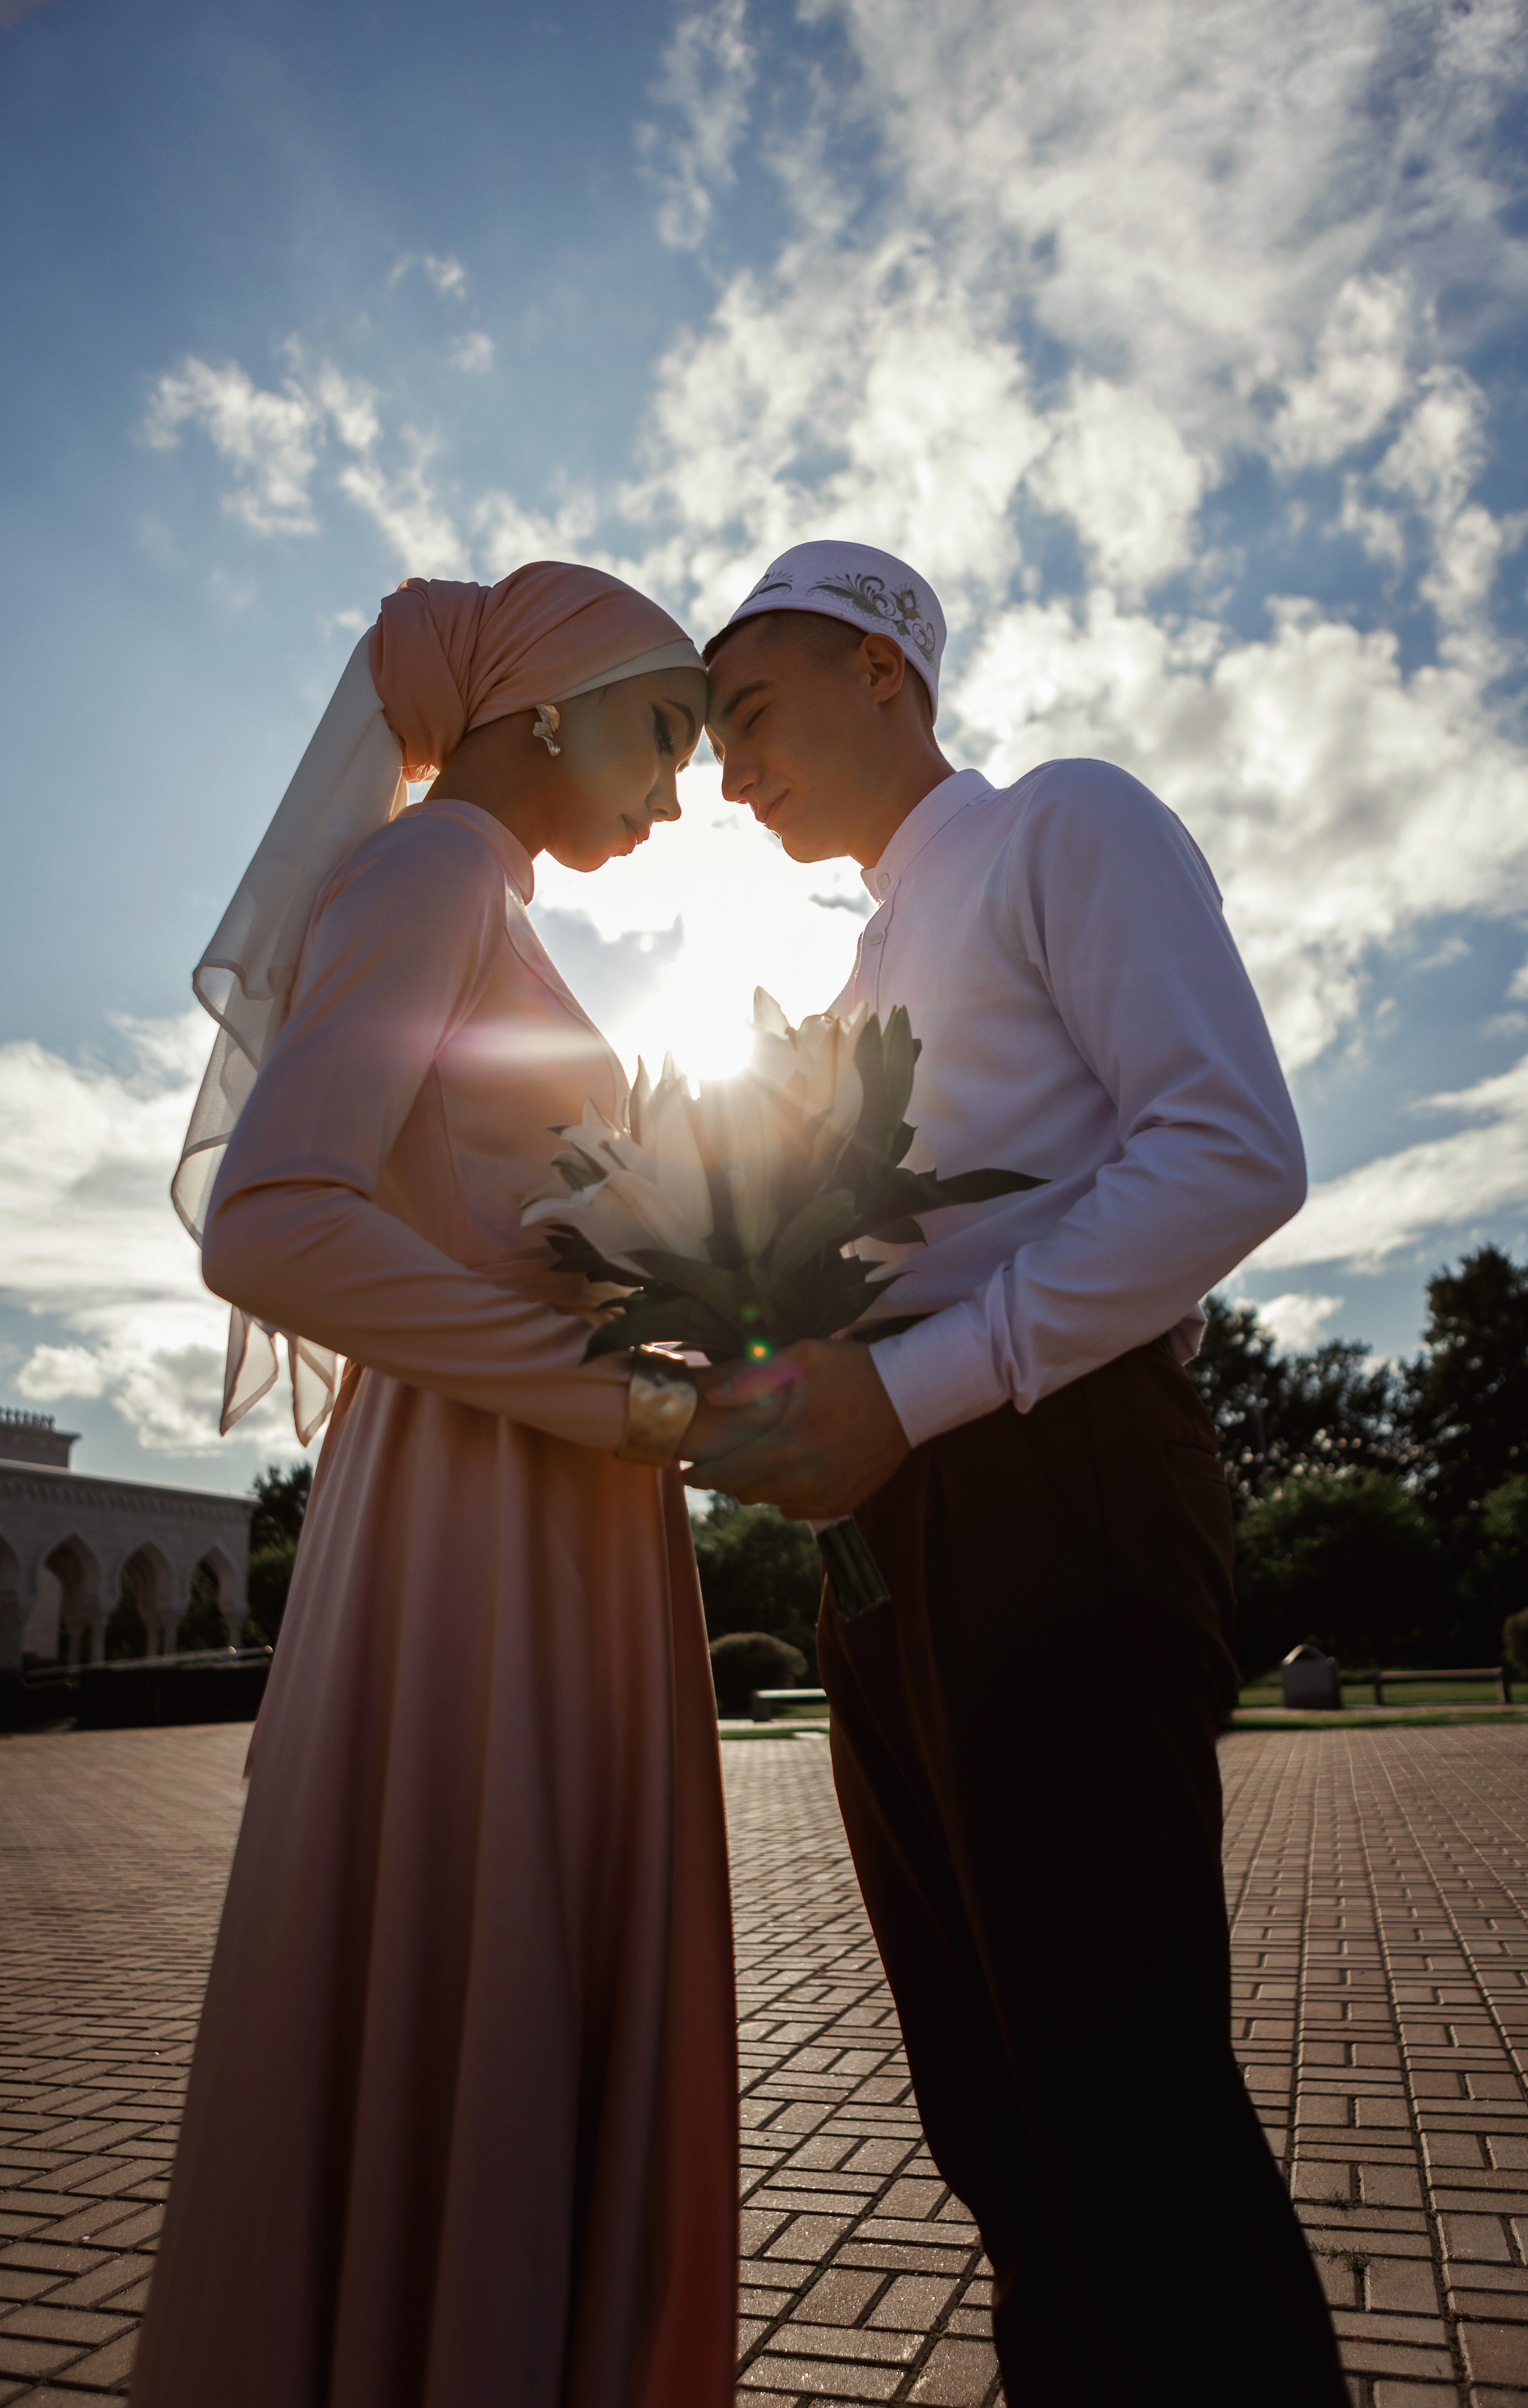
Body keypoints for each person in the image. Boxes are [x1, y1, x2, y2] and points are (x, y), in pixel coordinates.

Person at [695, 541, 1349, 2407]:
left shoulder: (1064, 823)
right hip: (888, 1545)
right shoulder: (848, 970)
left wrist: (914, 1389)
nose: (731, 776)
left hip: (1063, 1487)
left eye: (750, 712)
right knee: (986, 2102)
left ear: (887, 669)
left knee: (1114, 2086)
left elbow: (1230, 1147)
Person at [132, 564, 739, 2408]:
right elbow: (274, 1217)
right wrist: (608, 1395)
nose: (676, 790)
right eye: (661, 729)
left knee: (535, 1988)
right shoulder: (430, 873)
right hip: (484, 1510)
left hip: (556, 1496)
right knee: (493, 1971)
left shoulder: (483, 899)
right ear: (542, 704)